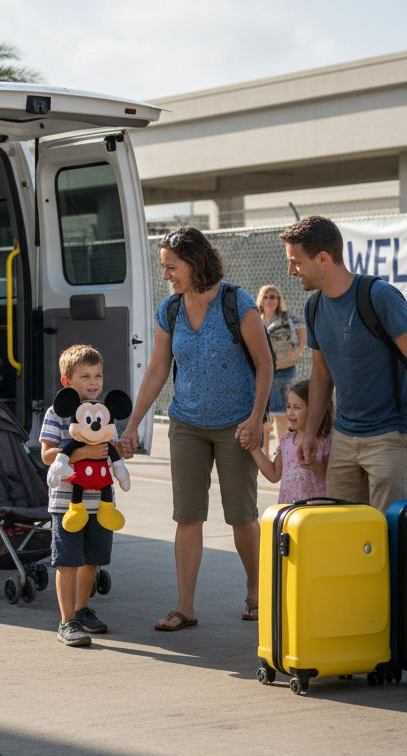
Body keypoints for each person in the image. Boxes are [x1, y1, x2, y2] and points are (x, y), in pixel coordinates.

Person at [117, 226, 272, 631]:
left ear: (195, 261)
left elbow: (265, 363)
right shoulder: (169, 310)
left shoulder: (235, 302)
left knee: (241, 515)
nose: (167, 275)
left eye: (172, 267)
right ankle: (184, 607)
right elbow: (157, 369)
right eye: (164, 268)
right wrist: (132, 425)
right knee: (188, 516)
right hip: (186, 423)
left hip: (237, 425)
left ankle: (256, 593)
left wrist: (256, 417)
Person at [282, 216, 407, 514]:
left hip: (390, 436)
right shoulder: (314, 306)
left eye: (296, 262)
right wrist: (309, 432)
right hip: (344, 436)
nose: (291, 271)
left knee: (390, 532)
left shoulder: (378, 296)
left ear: (322, 258)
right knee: (345, 531)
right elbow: (321, 372)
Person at [40, 344, 119, 647]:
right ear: (67, 382)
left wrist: (122, 452)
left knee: (92, 560)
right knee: (68, 561)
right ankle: (66, 620)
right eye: (85, 376)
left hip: (100, 502)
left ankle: (82, 608)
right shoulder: (56, 413)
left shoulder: (104, 414)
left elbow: (111, 451)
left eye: (97, 375)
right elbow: (47, 454)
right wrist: (80, 452)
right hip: (67, 503)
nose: (93, 382)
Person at [250, 380, 332, 502]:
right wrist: (253, 448)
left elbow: (336, 480)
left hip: (316, 514)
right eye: (288, 406)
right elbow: (274, 474)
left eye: (297, 407)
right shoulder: (286, 441)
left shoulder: (325, 442)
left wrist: (316, 466)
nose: (290, 412)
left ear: (315, 411)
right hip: (290, 512)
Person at [255, 285, 306, 452]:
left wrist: (296, 352)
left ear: (279, 300)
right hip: (260, 373)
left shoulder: (286, 318)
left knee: (280, 414)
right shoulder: (255, 319)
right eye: (267, 297)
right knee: (264, 416)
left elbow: (302, 334)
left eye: (274, 297)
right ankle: (264, 454)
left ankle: (283, 455)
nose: (270, 300)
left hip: (283, 371)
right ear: (261, 300)